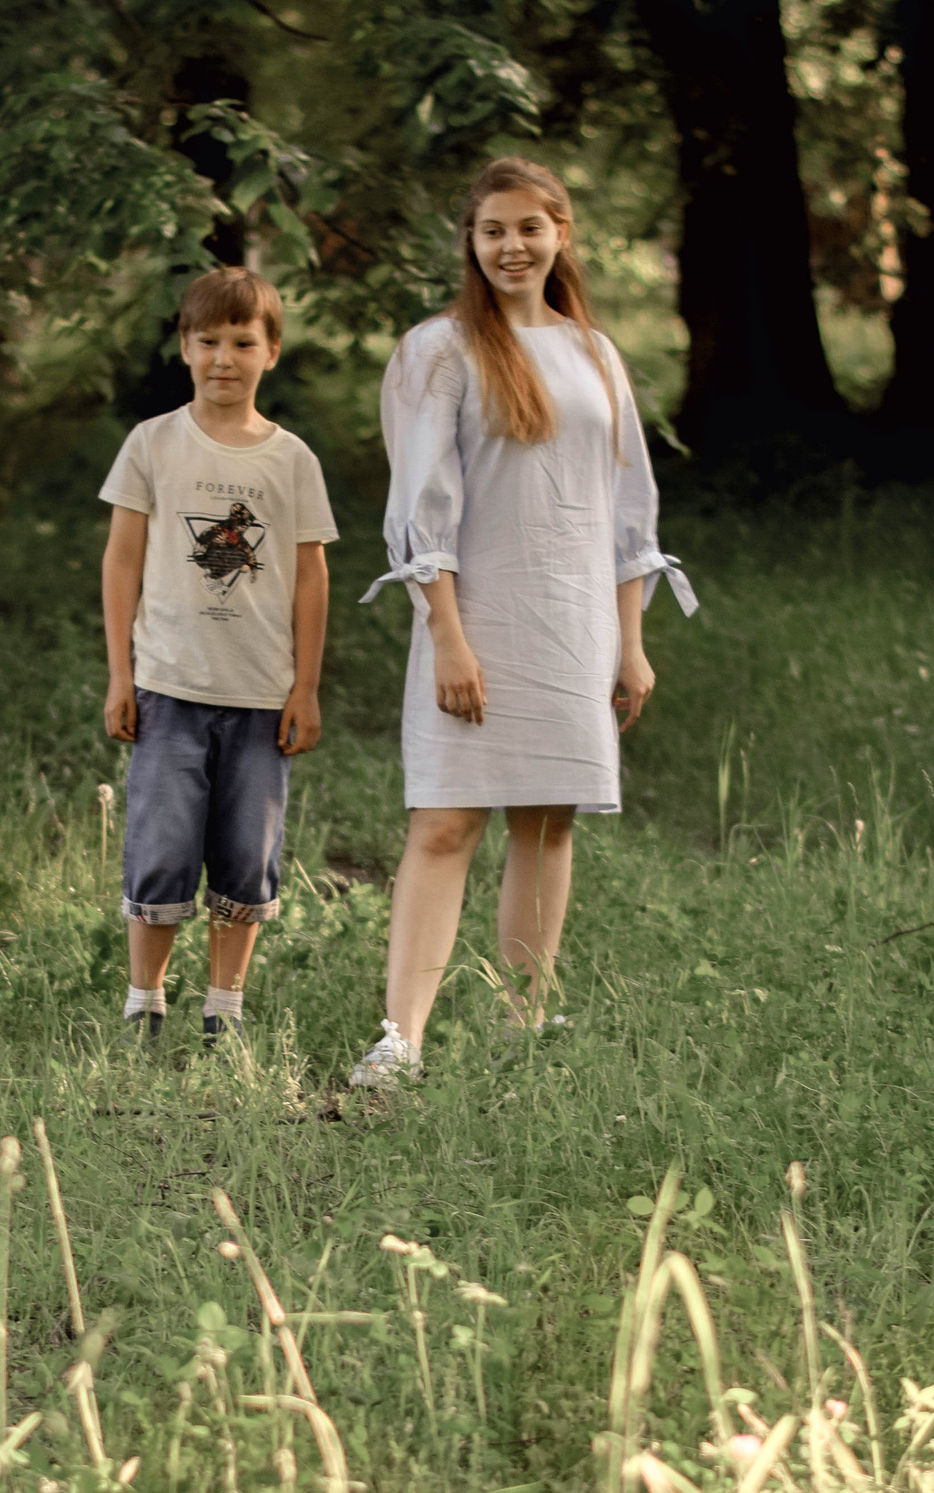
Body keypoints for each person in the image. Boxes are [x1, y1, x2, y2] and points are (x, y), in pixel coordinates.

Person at [347, 157, 696, 1089]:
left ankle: (522, 1025)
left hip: (574, 622)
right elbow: (424, 505)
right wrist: (448, 635)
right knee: (446, 823)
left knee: (546, 823)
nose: (512, 246)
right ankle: (401, 1041)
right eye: (493, 230)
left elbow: (627, 510)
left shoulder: (593, 351)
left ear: (561, 235)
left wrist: (631, 640)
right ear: (471, 241)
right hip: (476, 619)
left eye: (529, 228)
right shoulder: (440, 349)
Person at [100, 265, 336, 1046]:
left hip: (263, 695)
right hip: (168, 686)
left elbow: (309, 575)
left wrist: (305, 685)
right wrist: (119, 673)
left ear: (272, 351)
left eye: (244, 342)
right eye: (209, 341)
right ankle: (144, 1000)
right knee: (161, 846)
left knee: (246, 852)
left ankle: (223, 1009)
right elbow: (123, 561)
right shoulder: (153, 444)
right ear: (184, 347)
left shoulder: (291, 459)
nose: (224, 358)